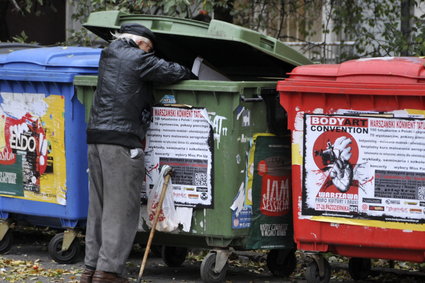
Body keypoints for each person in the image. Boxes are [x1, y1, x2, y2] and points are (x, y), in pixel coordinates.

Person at [80, 23, 196, 283]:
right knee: (121, 208)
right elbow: (175, 71)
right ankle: (108, 272)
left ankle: (90, 268)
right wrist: (188, 65)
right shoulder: (137, 58)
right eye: (150, 49)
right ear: (142, 43)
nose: (150, 53)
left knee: (98, 206)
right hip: (122, 140)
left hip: (96, 138)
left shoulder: (108, 53)